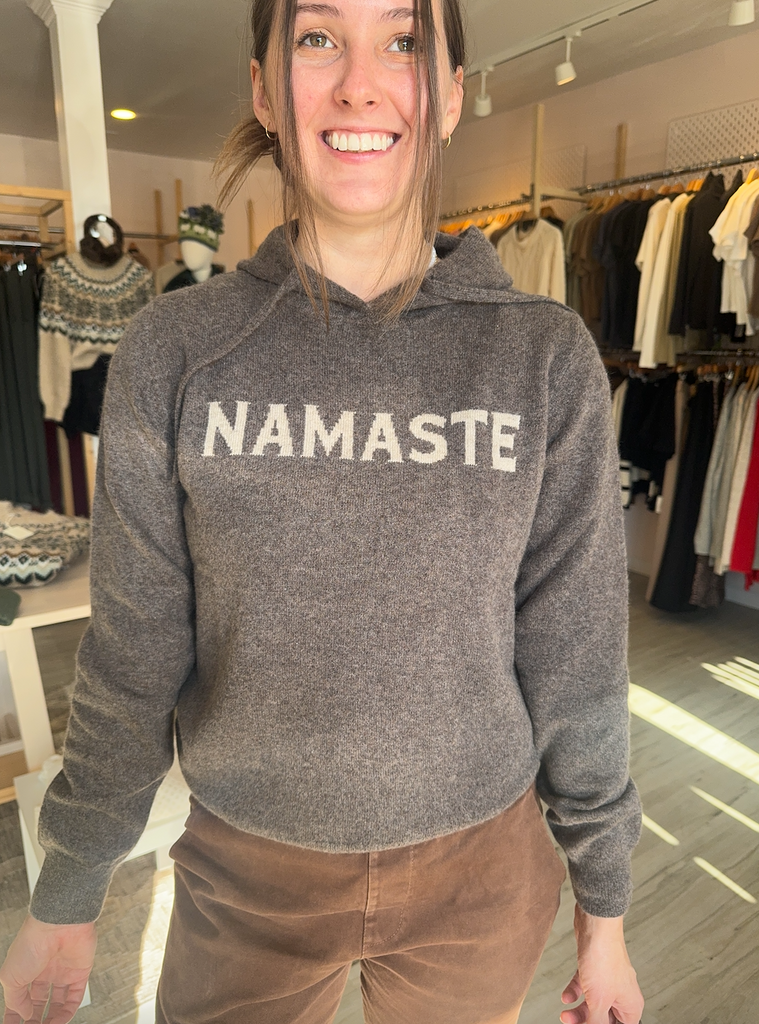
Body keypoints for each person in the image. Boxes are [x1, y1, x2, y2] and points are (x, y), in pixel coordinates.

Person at [0, 1, 646, 1022]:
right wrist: (70, 888)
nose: (358, 83)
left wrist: (604, 910)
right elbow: (131, 654)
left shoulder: (542, 355)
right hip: (244, 877)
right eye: (315, 38)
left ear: (451, 96)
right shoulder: (175, 350)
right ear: (264, 88)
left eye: (403, 41)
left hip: (479, 877)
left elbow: (577, 654)